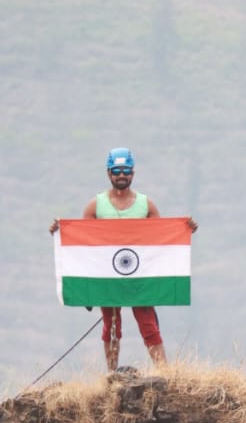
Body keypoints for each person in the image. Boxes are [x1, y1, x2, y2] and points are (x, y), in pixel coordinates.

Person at [50, 147, 197, 371]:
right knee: (111, 325)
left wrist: (184, 230)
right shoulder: (96, 206)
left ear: (133, 173)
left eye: (126, 171)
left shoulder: (146, 205)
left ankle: (165, 374)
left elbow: (160, 240)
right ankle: (112, 375)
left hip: (139, 277)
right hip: (108, 277)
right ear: (109, 173)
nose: (121, 175)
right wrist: (61, 231)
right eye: (117, 171)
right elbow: (84, 246)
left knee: (148, 324)